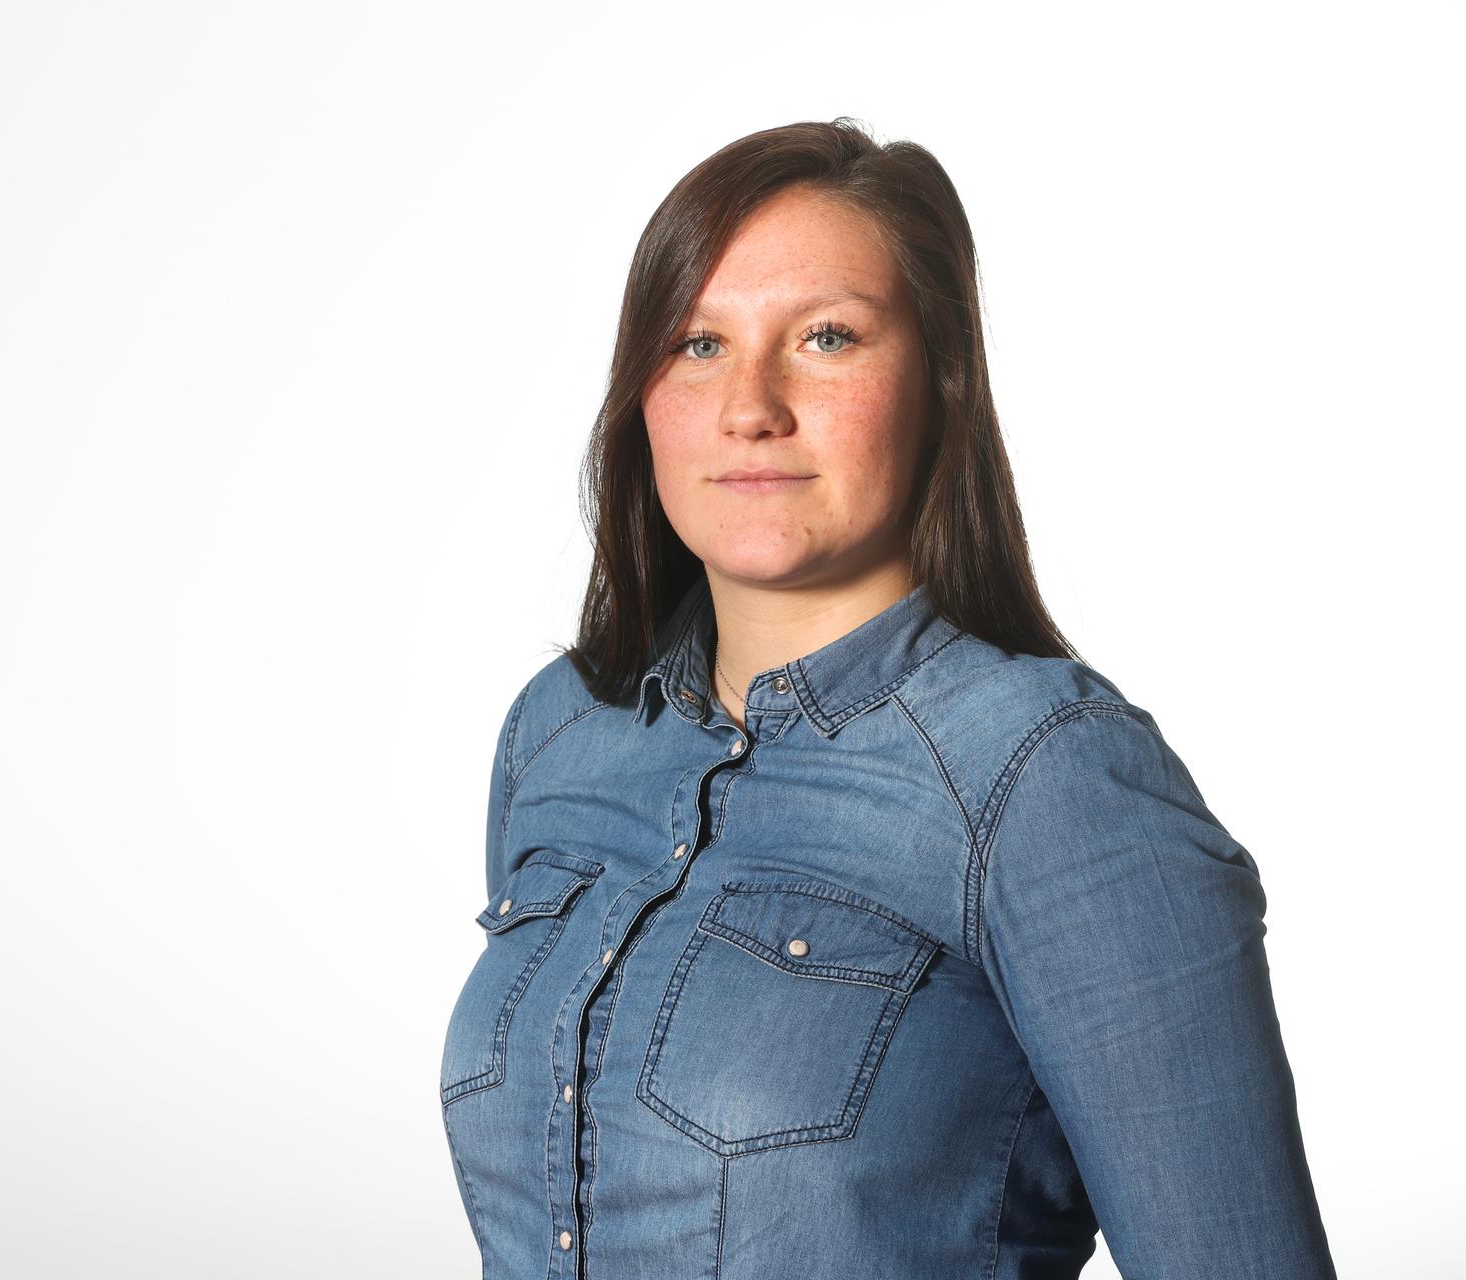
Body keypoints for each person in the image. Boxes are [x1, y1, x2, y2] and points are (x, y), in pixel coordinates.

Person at [437, 119, 1337, 1278]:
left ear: (939, 379)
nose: (751, 403)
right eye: (697, 343)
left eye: (825, 336)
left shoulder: (1049, 777)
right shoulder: (563, 731)